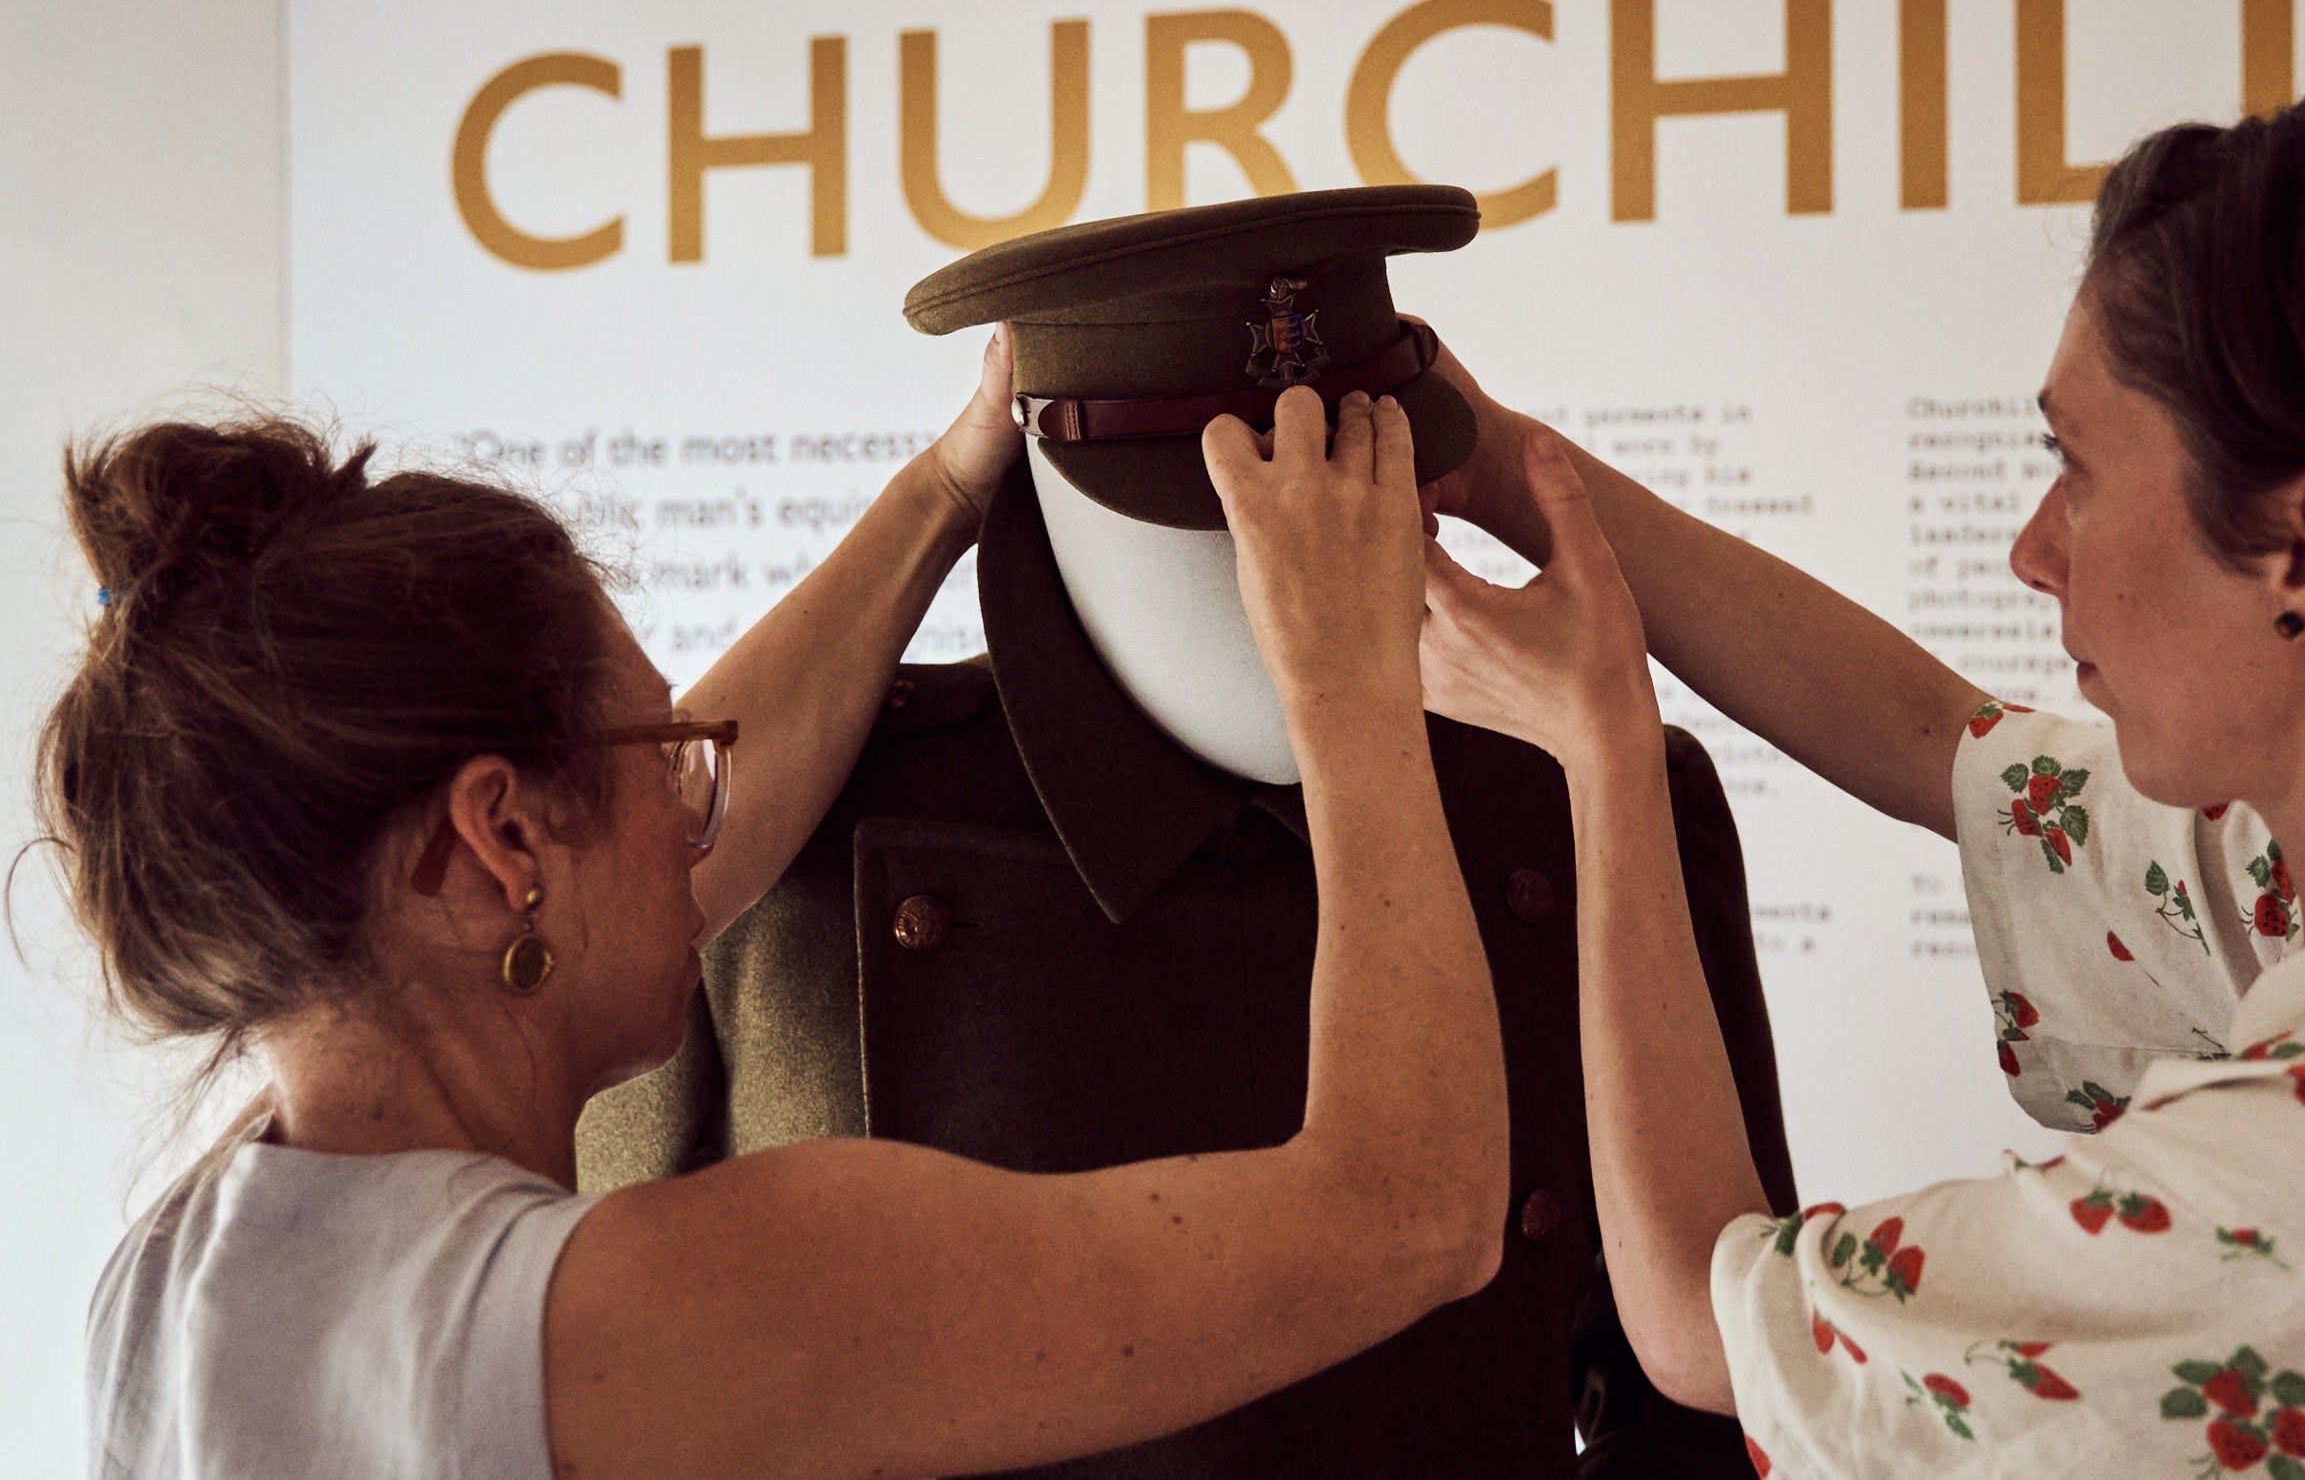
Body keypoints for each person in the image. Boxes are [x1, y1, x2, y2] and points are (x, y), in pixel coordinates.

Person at [1416, 74, 2305, 1477]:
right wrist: (1491, 464)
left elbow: (1702, 1324)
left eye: (2077, 466)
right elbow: (1931, 737)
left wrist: (1602, 756)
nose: (2033, 549)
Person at [61, 369, 1511, 1478]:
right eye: (664, 760)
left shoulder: (181, 1279)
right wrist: (1347, 680)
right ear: (501, 836)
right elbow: (1408, 1217)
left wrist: (945, 491)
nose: (697, 815)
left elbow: (666, 863)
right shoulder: (647, 1314)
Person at [577, 188, 1797, 1480]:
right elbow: (637, 1388)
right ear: (1039, 481)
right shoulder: (795, 843)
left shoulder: (1582, 790)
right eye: (1214, 523)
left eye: (1349, 496)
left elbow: (1711, 1403)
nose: (1283, 573)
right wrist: (936, 494)